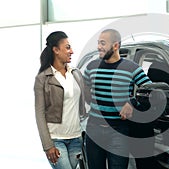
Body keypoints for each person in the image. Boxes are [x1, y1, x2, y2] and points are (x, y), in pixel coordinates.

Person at [83, 28, 152, 169]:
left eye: (103, 43)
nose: (98, 47)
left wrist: (132, 104)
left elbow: (151, 91)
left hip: (118, 131)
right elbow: (85, 89)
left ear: (115, 46)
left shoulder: (132, 68)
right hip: (93, 130)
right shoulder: (91, 67)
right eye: (98, 43)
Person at [34, 31, 87, 169]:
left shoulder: (76, 74)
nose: (72, 51)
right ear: (56, 50)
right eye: (68, 47)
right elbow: (39, 115)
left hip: (76, 138)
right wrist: (47, 146)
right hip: (56, 140)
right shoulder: (43, 79)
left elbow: (86, 103)